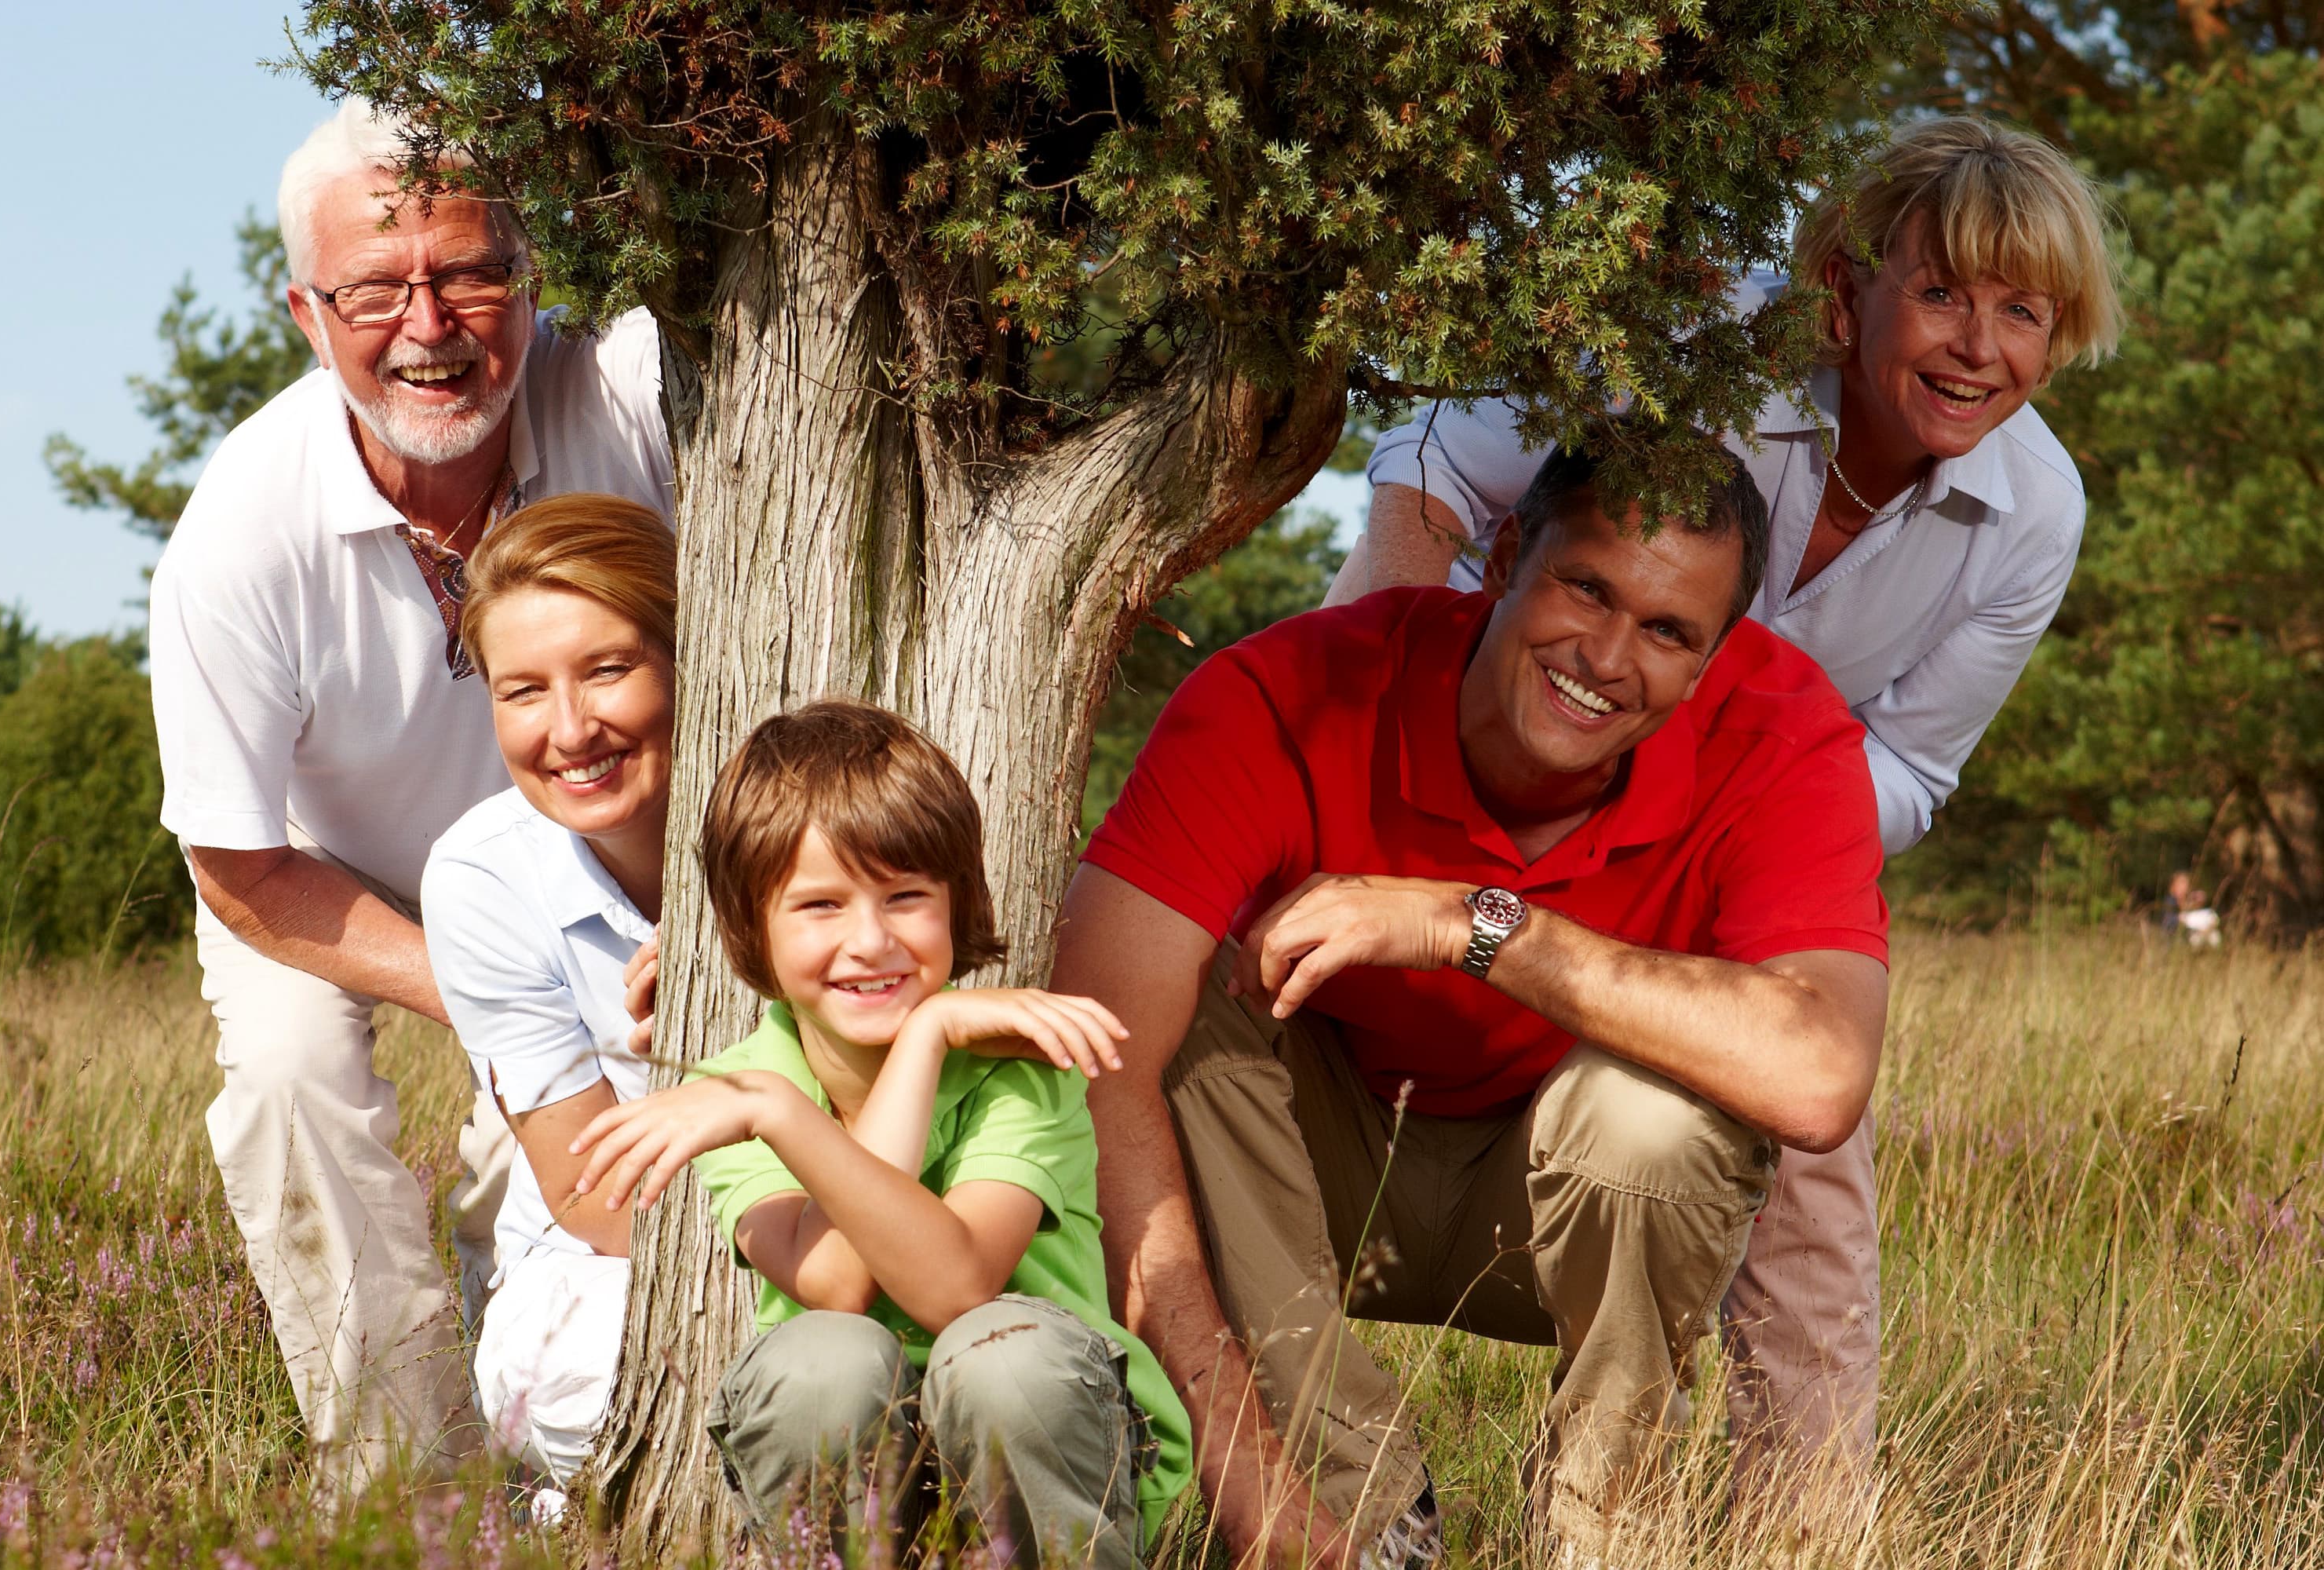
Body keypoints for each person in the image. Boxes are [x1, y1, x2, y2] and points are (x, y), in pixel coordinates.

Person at [1330, 114, 2125, 1490]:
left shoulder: (2039, 512)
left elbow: (1914, 769)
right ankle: (1282, 1463)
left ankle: (1791, 1516)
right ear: (1845, 289)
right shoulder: (1689, 353)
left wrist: (1738, 862)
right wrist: (1381, 723)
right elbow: (1434, 461)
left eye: (2023, 314)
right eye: (1939, 293)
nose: (1977, 348)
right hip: (1503, 787)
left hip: (1732, 850)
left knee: (1812, 1114)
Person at [1056, 441, 1891, 1565]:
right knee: (1175, 1011)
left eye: (1667, 631)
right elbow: (1094, 1065)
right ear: (1503, 557)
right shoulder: (1283, 690)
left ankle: (1600, 1532)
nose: (1605, 655)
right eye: (1585, 587)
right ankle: (1358, 1516)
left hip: (1551, 1202)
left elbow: (1821, 1075)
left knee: (1657, 1114)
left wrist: (1472, 923)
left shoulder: (1783, 730)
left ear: (1711, 660)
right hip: (1312, 1176)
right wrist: (1249, 1484)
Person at [147, 97, 673, 1494]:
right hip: (320, 876)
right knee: (286, 1089)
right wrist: (491, 986)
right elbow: (240, 867)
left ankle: (574, 1459)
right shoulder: (237, 535)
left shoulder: (631, 401)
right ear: (307, 316)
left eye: (469, 272)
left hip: (589, 856)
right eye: (377, 288)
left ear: (530, 280)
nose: (430, 324)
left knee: (581, 1139)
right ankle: (409, 1490)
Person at [567, 701, 1192, 1568]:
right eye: (820, 904)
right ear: (753, 927)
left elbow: (956, 1286)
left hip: (1044, 1453)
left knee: (1000, 1355)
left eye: (905, 896)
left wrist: (927, 1035)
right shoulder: (736, 1092)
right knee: (823, 1359)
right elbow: (837, 1280)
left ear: (956, 902)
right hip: (862, 1461)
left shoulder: (1024, 1067)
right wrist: (779, 1107)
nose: (870, 940)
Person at [415, 495, 675, 1514]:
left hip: (844, 1212)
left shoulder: (805, 815)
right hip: (618, 1252)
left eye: (608, 669)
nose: (571, 730)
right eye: (523, 691)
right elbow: (594, 1195)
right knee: (554, 1377)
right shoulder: (482, 873)